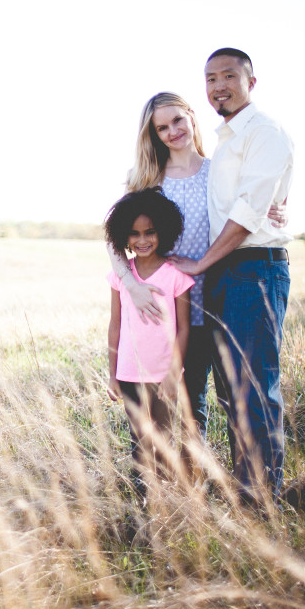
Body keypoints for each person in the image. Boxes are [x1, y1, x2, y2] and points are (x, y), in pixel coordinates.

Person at [108, 92, 286, 481]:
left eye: (177, 120)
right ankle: (172, 487)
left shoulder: (218, 171)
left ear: (191, 117)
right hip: (170, 311)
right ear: (153, 135)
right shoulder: (148, 181)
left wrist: (274, 208)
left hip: (221, 298)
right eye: (162, 127)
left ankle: (227, 486)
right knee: (176, 404)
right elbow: (114, 239)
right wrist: (132, 287)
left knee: (223, 401)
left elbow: (249, 207)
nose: (173, 131)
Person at [171, 48, 294, 506]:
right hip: (226, 273)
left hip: (254, 269)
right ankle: (243, 490)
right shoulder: (225, 143)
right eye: (210, 78)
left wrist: (201, 263)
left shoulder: (265, 133)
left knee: (253, 387)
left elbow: (246, 215)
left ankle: (260, 502)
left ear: (251, 82)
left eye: (228, 76)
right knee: (230, 391)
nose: (217, 86)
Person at [105, 188, 193, 495]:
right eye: (134, 234)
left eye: (150, 232)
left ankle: (169, 498)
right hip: (129, 373)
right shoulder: (121, 276)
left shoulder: (175, 276)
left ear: (163, 232)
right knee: (140, 439)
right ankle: (145, 500)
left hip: (163, 375)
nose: (142, 241)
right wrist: (113, 374)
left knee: (164, 437)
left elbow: (184, 329)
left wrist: (173, 373)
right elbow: (115, 325)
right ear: (123, 237)